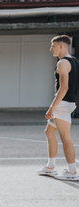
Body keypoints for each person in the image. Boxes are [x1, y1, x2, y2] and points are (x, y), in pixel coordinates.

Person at [37, 35, 79, 181]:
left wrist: (51, 108)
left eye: (53, 46)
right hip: (67, 103)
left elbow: (64, 87)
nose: (50, 49)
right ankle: (50, 167)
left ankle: (73, 171)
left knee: (66, 138)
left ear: (61, 46)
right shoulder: (74, 61)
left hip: (62, 104)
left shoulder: (62, 63)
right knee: (49, 132)